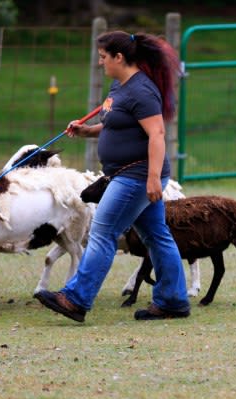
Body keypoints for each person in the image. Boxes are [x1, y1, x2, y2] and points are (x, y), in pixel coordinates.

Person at [35, 30, 189, 322]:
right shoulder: (120, 87)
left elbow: (156, 133)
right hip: (126, 174)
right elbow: (116, 124)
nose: (100, 63)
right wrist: (88, 131)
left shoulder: (141, 91)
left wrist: (154, 178)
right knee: (157, 236)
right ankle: (173, 301)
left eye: (103, 57)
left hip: (136, 176)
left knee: (103, 232)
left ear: (119, 57)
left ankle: (76, 299)